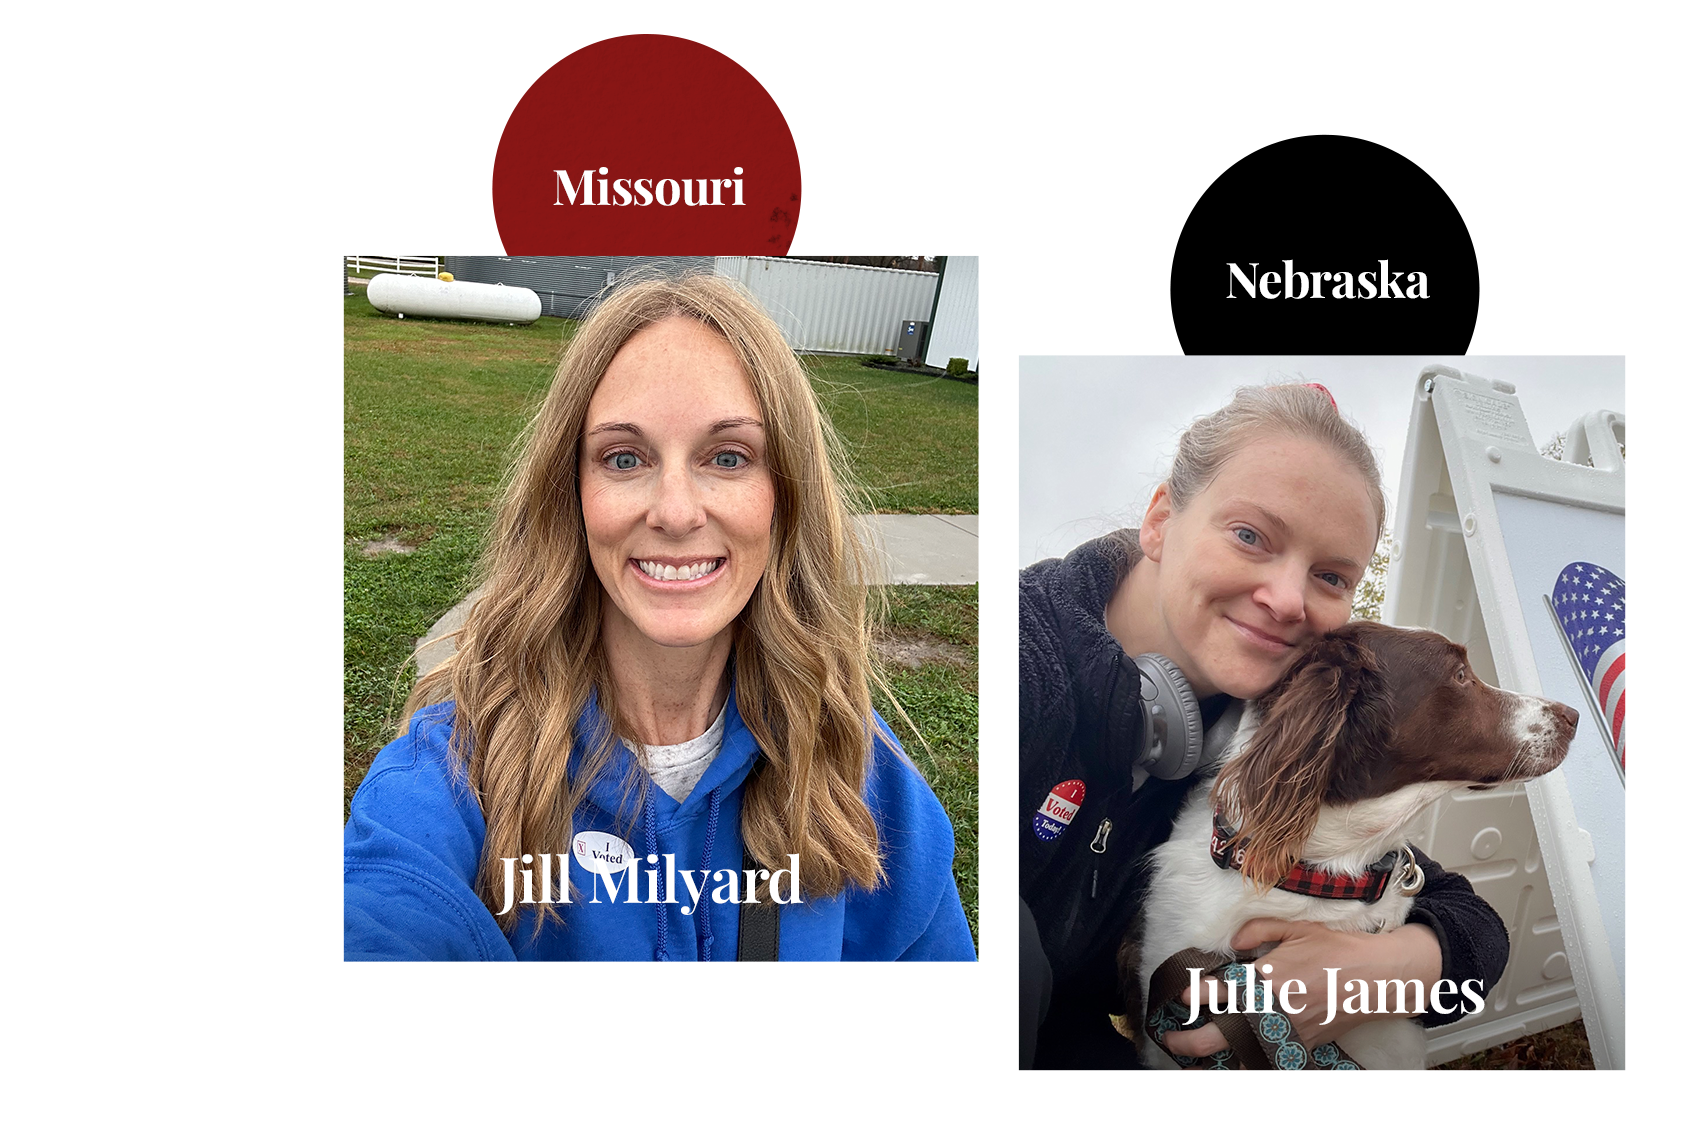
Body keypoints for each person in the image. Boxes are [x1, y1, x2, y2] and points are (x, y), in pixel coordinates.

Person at [345, 273, 974, 961]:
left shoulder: (863, 776)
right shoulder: (452, 773)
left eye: (728, 457)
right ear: (571, 494)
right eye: (625, 457)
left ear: (783, 498)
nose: (675, 512)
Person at [1019, 382, 1509, 1066]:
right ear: (1159, 519)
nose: (1285, 600)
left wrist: (1381, 968)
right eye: (1250, 536)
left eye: (1332, 577)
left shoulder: (1268, 732)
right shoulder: (1022, 667)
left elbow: (1474, 928)